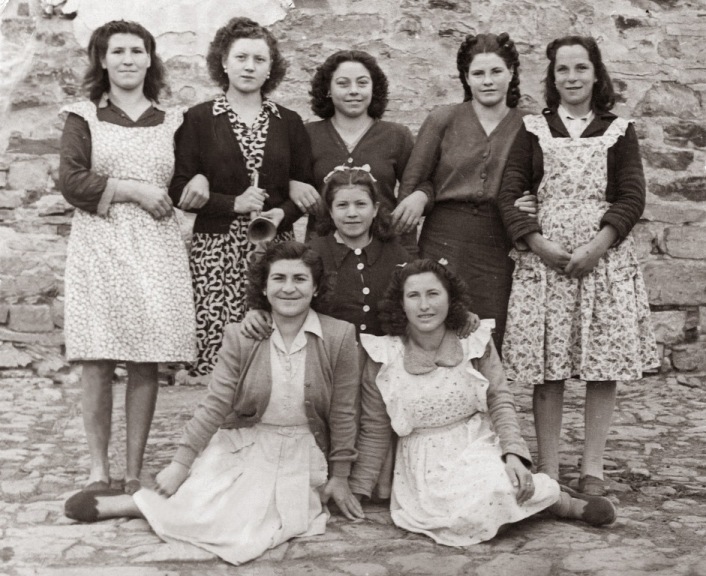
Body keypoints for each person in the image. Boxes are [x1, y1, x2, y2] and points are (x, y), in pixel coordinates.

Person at [64, 241, 364, 565]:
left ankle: (141, 506)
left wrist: (340, 477)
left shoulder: (339, 336)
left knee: (261, 519)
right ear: (264, 288)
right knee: (210, 499)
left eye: (300, 279)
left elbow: (344, 411)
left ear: (315, 287)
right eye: (278, 278)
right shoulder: (241, 335)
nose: (288, 288)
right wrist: (180, 465)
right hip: (247, 441)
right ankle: (139, 504)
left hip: (302, 449)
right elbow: (215, 404)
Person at [349, 260, 617, 547]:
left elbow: (500, 401)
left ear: (450, 298)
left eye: (433, 294)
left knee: (499, 486)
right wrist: (357, 488)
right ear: (401, 303)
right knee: (458, 516)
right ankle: (531, 504)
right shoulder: (384, 356)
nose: (424, 305)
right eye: (413, 296)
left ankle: (562, 501)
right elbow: (375, 428)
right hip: (424, 463)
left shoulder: (473, 343)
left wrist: (513, 455)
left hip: (476, 443)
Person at [497, 36, 659, 495]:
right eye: (562, 70)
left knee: (601, 365)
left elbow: (632, 195)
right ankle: (549, 467)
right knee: (547, 366)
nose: (572, 78)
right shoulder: (533, 129)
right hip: (545, 264)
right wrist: (537, 243)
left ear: (595, 74)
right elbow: (509, 193)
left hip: (601, 263)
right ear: (553, 78)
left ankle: (592, 468)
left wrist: (597, 246)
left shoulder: (618, 130)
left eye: (580, 68)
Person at [58, 20, 196, 495]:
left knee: (145, 357)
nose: (128, 60)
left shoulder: (172, 121)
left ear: (149, 59)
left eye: (137, 51)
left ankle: (134, 470)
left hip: (155, 247)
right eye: (117, 51)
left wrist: (199, 183)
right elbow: (72, 181)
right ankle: (99, 469)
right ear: (102, 60)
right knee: (98, 357)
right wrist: (132, 190)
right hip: (100, 245)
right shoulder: (83, 117)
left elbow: (184, 179)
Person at [168, 17, 313, 381]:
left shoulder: (289, 122)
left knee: (273, 353)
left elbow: (305, 189)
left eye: (259, 59)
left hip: (273, 252)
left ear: (271, 68)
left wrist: (282, 214)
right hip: (215, 253)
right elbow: (178, 190)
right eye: (241, 57)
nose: (250, 66)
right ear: (223, 62)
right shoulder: (199, 119)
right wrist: (232, 204)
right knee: (220, 358)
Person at [392, 33, 535, 350]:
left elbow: (544, 182)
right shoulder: (443, 119)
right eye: (478, 73)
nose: (488, 81)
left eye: (496, 71)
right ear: (466, 78)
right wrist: (410, 259)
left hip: (498, 242)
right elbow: (414, 185)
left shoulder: (529, 125)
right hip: (445, 237)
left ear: (511, 73)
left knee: (489, 336)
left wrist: (534, 201)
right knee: (438, 330)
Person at [244, 165, 411, 340]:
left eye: (361, 204)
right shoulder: (311, 253)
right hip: (326, 351)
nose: (352, 213)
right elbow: (285, 292)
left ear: (375, 209)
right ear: (330, 211)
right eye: (342, 205)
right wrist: (258, 311)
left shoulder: (397, 255)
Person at [288, 50, 416, 251]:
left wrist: (420, 197)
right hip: (323, 250)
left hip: (384, 250)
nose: (354, 91)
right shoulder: (308, 135)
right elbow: (281, 181)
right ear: (328, 89)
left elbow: (419, 183)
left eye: (362, 83)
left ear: (374, 88)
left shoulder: (397, 135)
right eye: (343, 84)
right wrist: (291, 184)